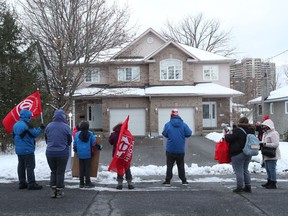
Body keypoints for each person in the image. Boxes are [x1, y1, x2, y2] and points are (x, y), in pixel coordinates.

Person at [13, 109, 45, 190]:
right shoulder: (27, 125)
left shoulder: (15, 125)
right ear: (27, 116)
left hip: (19, 149)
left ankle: (22, 183)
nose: (31, 118)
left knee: (21, 166)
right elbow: (35, 133)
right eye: (30, 116)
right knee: (30, 166)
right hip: (27, 149)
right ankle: (31, 183)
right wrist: (41, 128)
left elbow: (14, 136)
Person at [45, 109, 72, 198]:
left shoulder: (48, 126)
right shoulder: (66, 127)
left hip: (50, 152)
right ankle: (59, 191)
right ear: (63, 116)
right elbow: (69, 140)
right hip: (62, 152)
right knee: (60, 172)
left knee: (53, 171)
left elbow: (46, 139)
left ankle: (53, 190)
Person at [162, 109, 192, 186]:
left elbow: (165, 134)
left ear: (171, 116)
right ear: (178, 116)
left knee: (169, 165)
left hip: (170, 149)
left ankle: (168, 180)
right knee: (181, 165)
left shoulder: (168, 124)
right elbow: (189, 133)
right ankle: (183, 180)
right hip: (180, 150)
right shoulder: (183, 125)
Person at [225, 117, 255, 193]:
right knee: (245, 170)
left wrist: (227, 134)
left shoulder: (237, 131)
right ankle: (248, 186)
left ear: (240, 122)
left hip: (238, 153)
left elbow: (229, 139)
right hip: (248, 153)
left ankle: (239, 187)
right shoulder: (251, 130)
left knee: (239, 171)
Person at [73, 121, 102, 188]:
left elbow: (75, 144)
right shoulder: (90, 134)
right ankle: (88, 182)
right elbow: (94, 144)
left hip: (80, 154)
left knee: (81, 168)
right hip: (88, 154)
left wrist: (76, 150)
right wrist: (99, 147)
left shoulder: (77, 134)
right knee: (87, 168)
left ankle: (81, 182)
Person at [109, 122, 134, 190]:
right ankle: (130, 183)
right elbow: (132, 140)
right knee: (127, 167)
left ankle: (120, 184)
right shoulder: (127, 134)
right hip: (126, 154)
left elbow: (110, 142)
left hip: (118, 154)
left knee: (119, 168)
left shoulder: (114, 134)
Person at [260, 118, 281, 189]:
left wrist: (265, 144)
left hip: (272, 154)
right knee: (268, 169)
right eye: (263, 126)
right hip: (266, 154)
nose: (263, 127)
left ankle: (273, 182)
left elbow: (276, 144)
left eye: (265, 126)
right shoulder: (265, 134)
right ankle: (269, 181)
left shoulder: (274, 133)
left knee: (272, 169)